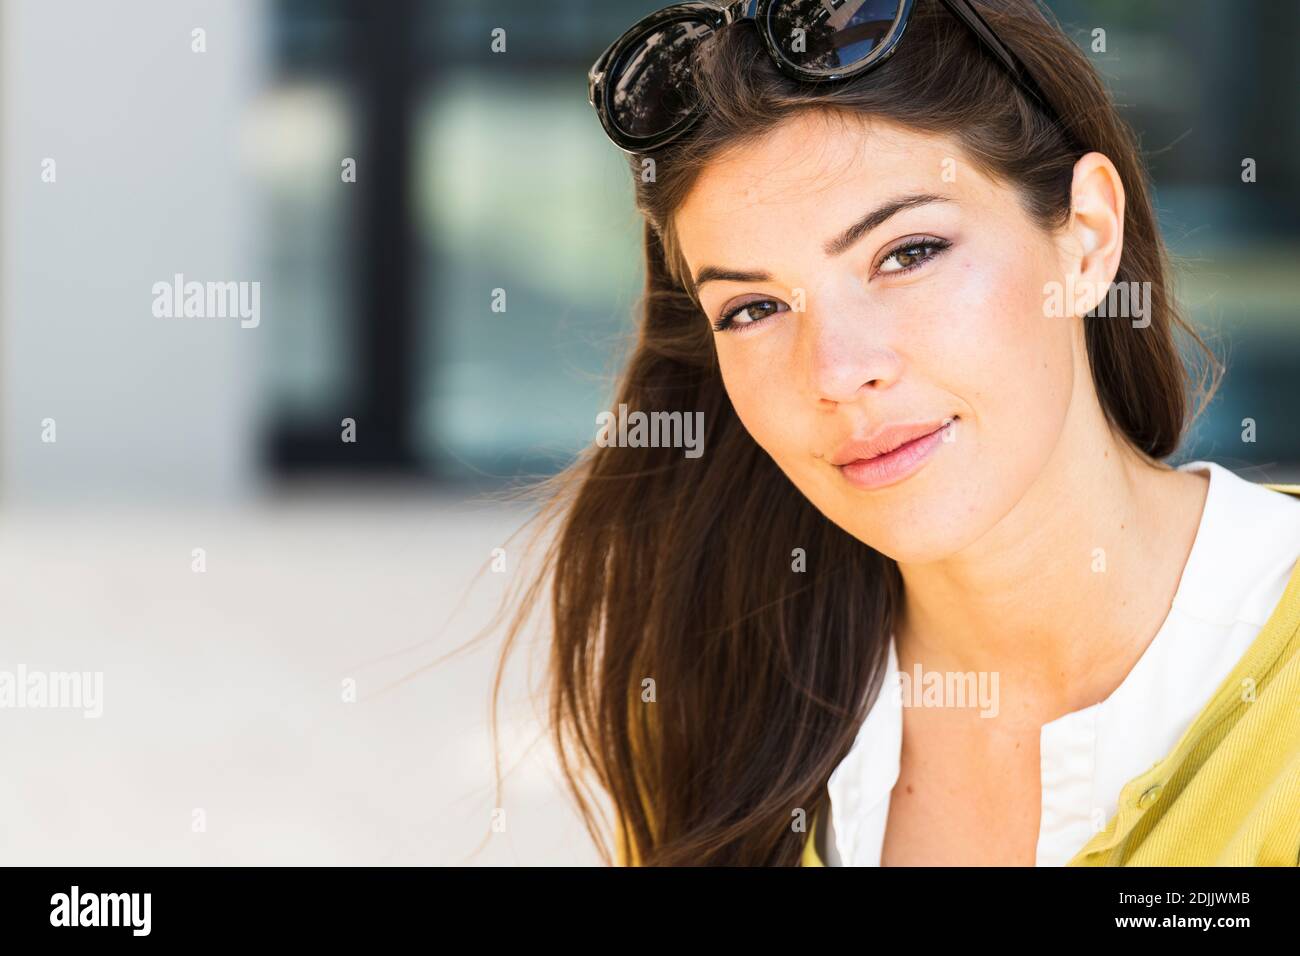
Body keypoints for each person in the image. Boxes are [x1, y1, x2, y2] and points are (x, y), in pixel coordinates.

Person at [495, 0, 1300, 865]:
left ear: (1088, 237)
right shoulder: (718, 707)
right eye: (754, 308)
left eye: (907, 253)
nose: (838, 371)